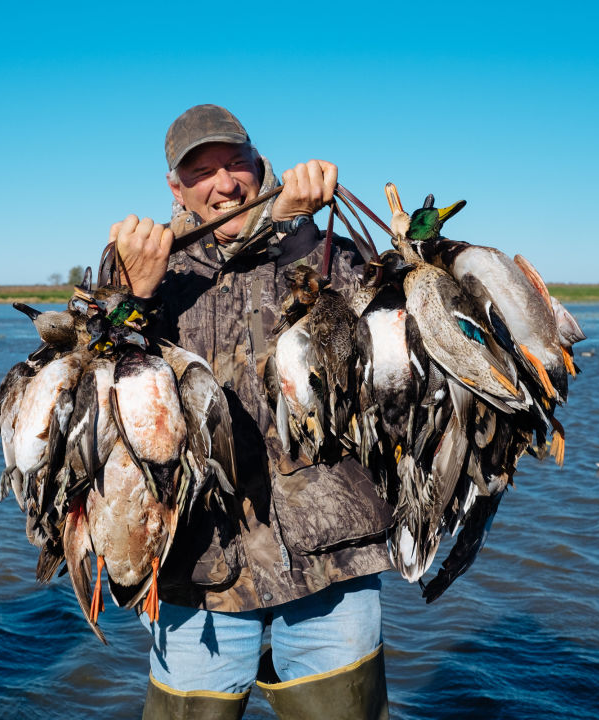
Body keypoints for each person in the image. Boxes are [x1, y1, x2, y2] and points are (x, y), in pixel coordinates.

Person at [103, 104, 393, 720]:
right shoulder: (138, 266)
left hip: (328, 554)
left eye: (236, 162)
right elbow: (92, 376)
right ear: (174, 187)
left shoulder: (321, 245)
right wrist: (134, 294)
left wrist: (299, 234)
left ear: (260, 163)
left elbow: (375, 344)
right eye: (202, 171)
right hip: (193, 562)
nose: (225, 183)